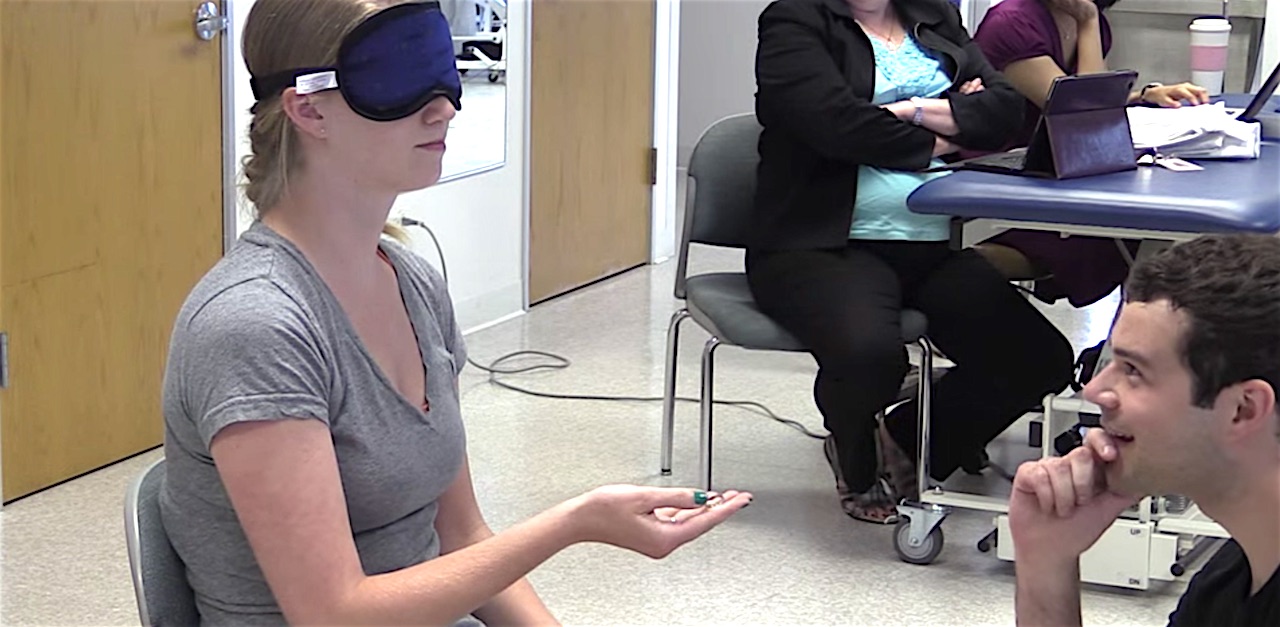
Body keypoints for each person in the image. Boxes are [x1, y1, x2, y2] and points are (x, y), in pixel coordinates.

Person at [157, 1, 752, 625]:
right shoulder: (255, 327)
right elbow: (335, 614)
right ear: (308, 109)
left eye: (441, 71)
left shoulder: (410, 282)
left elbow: (462, 536)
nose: (444, 106)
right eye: (399, 75)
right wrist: (574, 523)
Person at [749, 0, 1075, 524]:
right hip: (824, 244)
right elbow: (834, 124)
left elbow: (1005, 111)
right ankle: (856, 456)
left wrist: (909, 112)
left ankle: (906, 441)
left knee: (1038, 359)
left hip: (929, 243)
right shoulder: (795, 19)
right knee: (871, 357)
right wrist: (946, 129)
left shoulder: (932, 13)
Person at [1010, 233, 1279, 626]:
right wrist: (1045, 561)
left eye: (1133, 370)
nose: (1095, 390)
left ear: (1243, 409)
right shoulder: (1233, 578)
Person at [968, 0, 1211, 307]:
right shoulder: (1012, 23)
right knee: (1129, 234)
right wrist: (1088, 20)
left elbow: (1087, 99)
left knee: (1144, 233)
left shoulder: (1081, 21)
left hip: (1060, 169)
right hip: (1003, 176)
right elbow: (1081, 114)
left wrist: (1145, 96)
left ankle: (1135, 330)